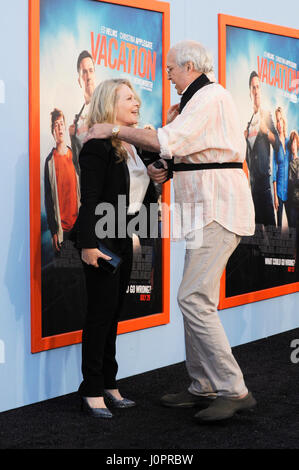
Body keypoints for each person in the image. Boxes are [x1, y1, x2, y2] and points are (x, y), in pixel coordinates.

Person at [84, 40, 257, 422]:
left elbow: (168, 142)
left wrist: (114, 129)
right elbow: (187, 152)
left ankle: (233, 388)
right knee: (197, 299)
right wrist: (165, 167)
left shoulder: (210, 97)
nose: (168, 76)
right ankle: (203, 386)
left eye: (171, 70)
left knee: (192, 298)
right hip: (202, 213)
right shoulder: (197, 103)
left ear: (190, 65)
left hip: (217, 211)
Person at [76, 78, 159, 418]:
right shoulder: (97, 146)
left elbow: (145, 197)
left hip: (124, 235)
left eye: (136, 97)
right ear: (110, 104)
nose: (136, 102)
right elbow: (90, 199)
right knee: (99, 317)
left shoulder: (134, 146)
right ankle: (91, 390)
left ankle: (110, 383)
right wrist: (87, 245)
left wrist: (156, 178)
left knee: (113, 315)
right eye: (128, 98)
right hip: (101, 239)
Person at [245, 71, 279, 229]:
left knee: (272, 233)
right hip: (253, 187)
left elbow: (278, 144)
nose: (256, 90)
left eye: (258, 87)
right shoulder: (249, 123)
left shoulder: (266, 115)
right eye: (253, 87)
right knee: (257, 236)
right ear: (250, 92)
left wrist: (267, 132)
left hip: (264, 185)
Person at [44, 108, 80, 251]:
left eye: (61, 124)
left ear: (65, 126)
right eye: (55, 125)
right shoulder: (50, 162)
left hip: (79, 226)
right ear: (52, 130)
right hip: (62, 230)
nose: (59, 128)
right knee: (64, 270)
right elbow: (48, 198)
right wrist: (53, 231)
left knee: (82, 271)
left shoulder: (75, 156)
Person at [69, 50, 97, 174]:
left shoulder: (108, 107)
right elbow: (76, 163)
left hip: (114, 188)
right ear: (79, 80)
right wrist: (72, 137)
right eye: (84, 72)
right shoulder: (76, 123)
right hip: (90, 188)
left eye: (91, 71)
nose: (88, 76)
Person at [272, 107, 291, 228]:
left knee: (292, 225)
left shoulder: (290, 142)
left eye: (281, 120)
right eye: (277, 121)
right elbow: (273, 170)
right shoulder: (275, 143)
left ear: (284, 121)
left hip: (289, 191)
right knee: (278, 226)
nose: (279, 124)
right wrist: (275, 196)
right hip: (278, 191)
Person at [288, 131, 299, 228]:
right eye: (292, 143)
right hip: (292, 203)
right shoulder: (290, 163)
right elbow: (291, 182)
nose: (293, 145)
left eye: (295, 142)